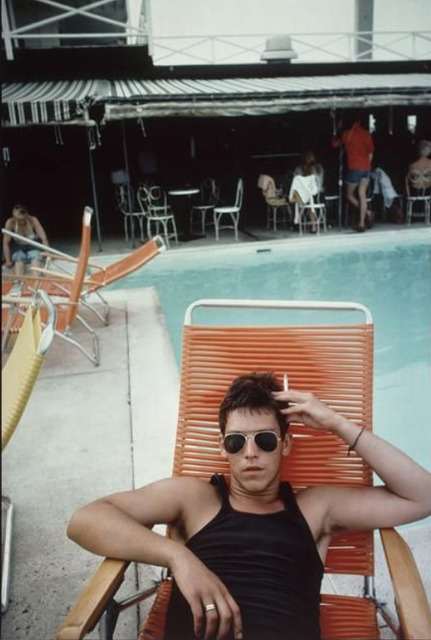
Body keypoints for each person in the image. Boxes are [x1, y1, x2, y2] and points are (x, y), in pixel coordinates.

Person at [67, 372, 431, 640]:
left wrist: (336, 423)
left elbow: (422, 497)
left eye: (266, 440)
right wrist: (179, 558)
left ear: (286, 445)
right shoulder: (193, 499)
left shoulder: (315, 509)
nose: (251, 452)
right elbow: (85, 520)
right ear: (222, 446)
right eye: (236, 441)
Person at [332, 113, 374, 232]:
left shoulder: (346, 134)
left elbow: (334, 144)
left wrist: (338, 130)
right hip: (366, 167)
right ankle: (361, 222)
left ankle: (368, 213)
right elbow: (371, 153)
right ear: (360, 122)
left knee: (349, 195)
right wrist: (367, 165)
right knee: (362, 194)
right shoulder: (367, 134)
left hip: (354, 167)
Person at [3, 204, 49, 276]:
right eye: (19, 220)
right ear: (14, 218)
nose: (22, 222)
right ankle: (19, 282)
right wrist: (8, 261)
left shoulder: (33, 220)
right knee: (19, 259)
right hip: (18, 247)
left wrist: (48, 255)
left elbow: (44, 238)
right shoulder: (10, 222)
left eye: (24, 219)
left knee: (36, 257)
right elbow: (5, 242)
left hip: (33, 246)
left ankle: (36, 281)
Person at [293, 150, 325, 233]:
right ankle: (305, 223)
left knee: (309, 201)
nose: (308, 159)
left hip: (317, 194)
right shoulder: (299, 169)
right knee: (303, 199)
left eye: (310, 157)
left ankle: (306, 223)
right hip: (306, 194)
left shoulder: (317, 168)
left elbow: (318, 183)